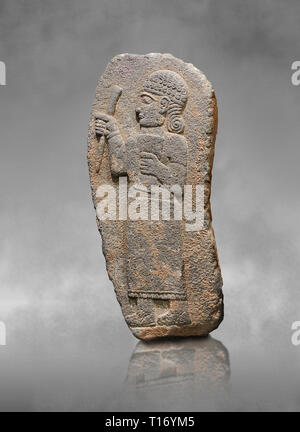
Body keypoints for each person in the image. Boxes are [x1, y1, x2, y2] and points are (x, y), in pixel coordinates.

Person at [95, 70, 191, 327]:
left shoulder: (176, 143)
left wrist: (159, 169)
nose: (137, 108)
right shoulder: (135, 141)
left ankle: (178, 309)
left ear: (163, 106)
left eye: (145, 100)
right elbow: (118, 168)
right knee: (139, 256)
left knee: (166, 258)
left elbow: (179, 183)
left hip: (164, 209)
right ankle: (146, 311)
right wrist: (113, 132)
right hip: (138, 209)